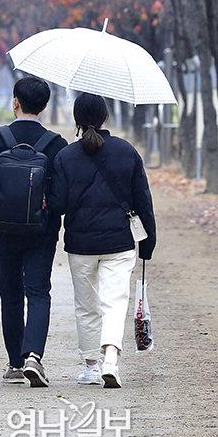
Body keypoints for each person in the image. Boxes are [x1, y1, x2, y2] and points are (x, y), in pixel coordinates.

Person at [49, 92, 156, 389]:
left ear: (76, 119)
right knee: (114, 302)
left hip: (80, 244)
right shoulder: (126, 152)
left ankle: (91, 367)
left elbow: (57, 205)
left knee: (86, 306)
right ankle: (111, 360)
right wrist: (148, 241)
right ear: (105, 117)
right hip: (119, 242)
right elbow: (143, 201)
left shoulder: (65, 156)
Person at [0, 76, 67, 388]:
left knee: (10, 294)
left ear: (15, 102)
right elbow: (62, 195)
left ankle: (14, 363)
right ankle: (34, 355)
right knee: (38, 292)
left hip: (1, 231)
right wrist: (51, 219)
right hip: (41, 232)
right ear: (45, 106)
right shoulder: (55, 144)